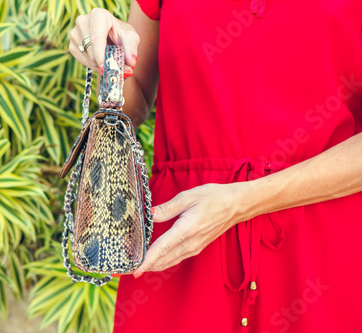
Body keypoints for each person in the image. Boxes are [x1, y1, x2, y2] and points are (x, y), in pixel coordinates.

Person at [69, 1, 362, 332]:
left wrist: (244, 200)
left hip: (320, 254)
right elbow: (134, 103)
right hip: (181, 244)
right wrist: (108, 54)